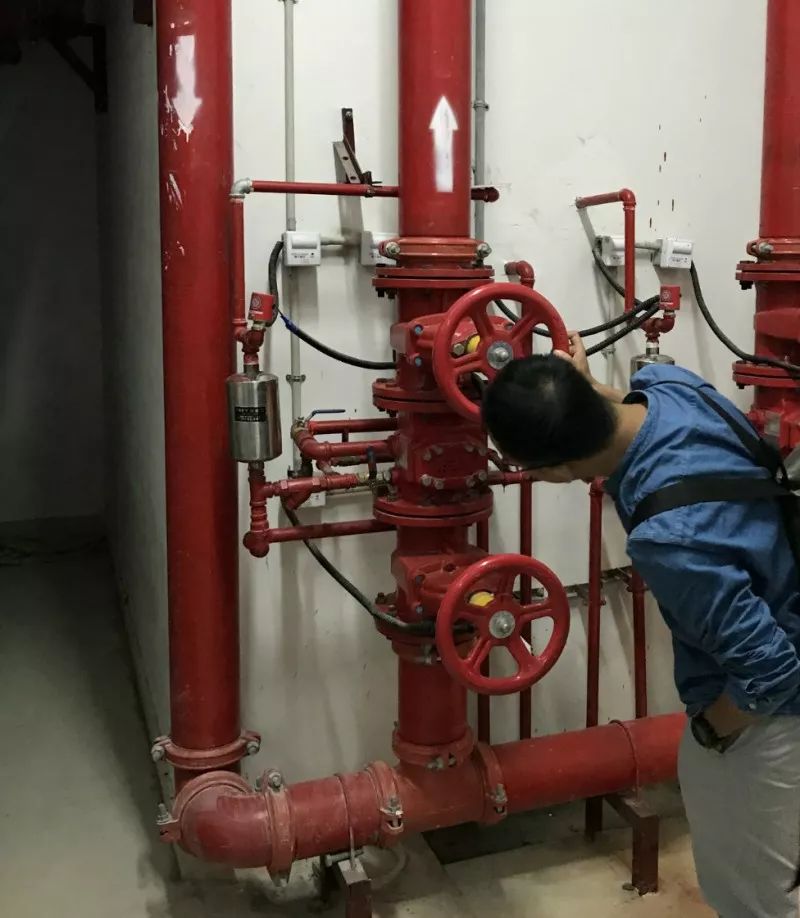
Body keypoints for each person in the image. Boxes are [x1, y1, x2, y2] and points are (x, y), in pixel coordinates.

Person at [482, 333, 800, 918]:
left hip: (772, 718)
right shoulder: (672, 387)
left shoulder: (669, 536)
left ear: (557, 472)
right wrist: (585, 386)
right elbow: (615, 400)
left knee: (759, 898)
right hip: (788, 595)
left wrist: (711, 732)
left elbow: (771, 674)